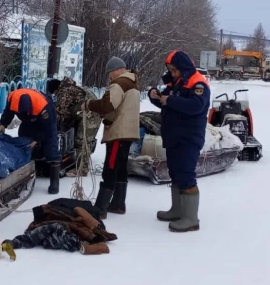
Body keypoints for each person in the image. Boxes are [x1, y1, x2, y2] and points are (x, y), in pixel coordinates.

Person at [149, 50, 210, 232]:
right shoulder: (177, 82)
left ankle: (191, 219)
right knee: (175, 173)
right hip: (174, 136)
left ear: (183, 68)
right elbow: (167, 102)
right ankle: (177, 210)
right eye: (170, 70)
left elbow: (196, 106)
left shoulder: (198, 83)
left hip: (188, 137)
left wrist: (171, 100)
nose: (173, 73)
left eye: (175, 70)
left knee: (185, 175)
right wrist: (156, 97)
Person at [84, 57, 141, 217]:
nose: (109, 76)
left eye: (109, 72)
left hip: (118, 132)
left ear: (116, 69)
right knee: (121, 168)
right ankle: (118, 203)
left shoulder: (119, 83)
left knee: (110, 167)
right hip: (129, 132)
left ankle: (100, 208)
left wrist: (89, 105)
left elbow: (108, 104)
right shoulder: (134, 82)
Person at [0, 88, 61, 194]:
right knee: (23, 140)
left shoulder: (42, 106)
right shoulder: (12, 98)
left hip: (46, 119)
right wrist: (3, 123)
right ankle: (27, 169)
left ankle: (54, 182)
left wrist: (37, 139)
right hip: (28, 120)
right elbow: (8, 112)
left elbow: (46, 127)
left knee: (51, 146)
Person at [46, 77, 102, 177]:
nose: (55, 96)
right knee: (82, 139)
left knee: (82, 141)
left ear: (55, 89)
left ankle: (82, 169)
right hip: (91, 115)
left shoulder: (64, 91)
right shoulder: (71, 87)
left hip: (90, 116)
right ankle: (81, 162)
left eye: (54, 94)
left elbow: (60, 112)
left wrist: (48, 122)